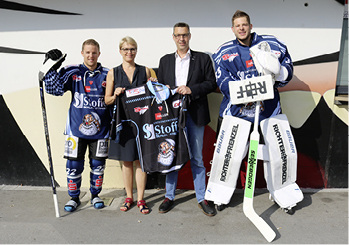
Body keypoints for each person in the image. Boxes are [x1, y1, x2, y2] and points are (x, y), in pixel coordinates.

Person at [211, 10, 294, 205]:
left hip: (268, 113)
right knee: (228, 155)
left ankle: (281, 193)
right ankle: (220, 196)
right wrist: (251, 93)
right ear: (233, 29)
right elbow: (224, 84)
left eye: (244, 24)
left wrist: (279, 71)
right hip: (237, 115)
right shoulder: (224, 52)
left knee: (276, 154)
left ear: (250, 26)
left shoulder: (272, 45)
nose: (241, 28)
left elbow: (287, 73)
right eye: (237, 25)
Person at [43, 39, 111, 212]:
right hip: (75, 129)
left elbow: (118, 97)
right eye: (87, 52)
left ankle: (95, 195)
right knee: (73, 166)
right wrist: (52, 66)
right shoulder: (72, 71)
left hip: (101, 131)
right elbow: (53, 89)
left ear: (99, 54)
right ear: (82, 53)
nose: (91, 55)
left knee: (98, 165)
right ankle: (74, 198)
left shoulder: (108, 74)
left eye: (94, 52)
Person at [157, 22, 217, 216]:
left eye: (184, 35)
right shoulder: (165, 60)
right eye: (178, 35)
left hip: (195, 114)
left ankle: (201, 197)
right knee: (172, 156)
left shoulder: (202, 59)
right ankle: (169, 196)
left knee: (197, 157)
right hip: (171, 117)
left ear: (189, 36)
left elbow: (211, 83)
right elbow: (159, 88)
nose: (181, 39)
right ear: (173, 37)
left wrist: (191, 89)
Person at [105, 36, 151, 214]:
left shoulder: (145, 71)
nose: (129, 52)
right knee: (127, 162)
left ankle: (140, 198)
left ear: (136, 51)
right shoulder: (113, 73)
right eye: (125, 49)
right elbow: (107, 100)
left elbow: (155, 94)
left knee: (141, 161)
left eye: (132, 49)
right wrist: (115, 93)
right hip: (122, 122)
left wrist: (154, 85)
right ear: (120, 51)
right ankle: (129, 197)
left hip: (142, 122)